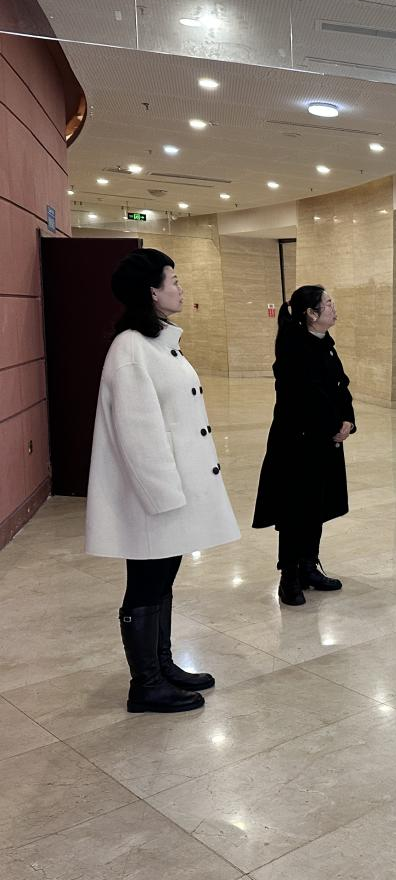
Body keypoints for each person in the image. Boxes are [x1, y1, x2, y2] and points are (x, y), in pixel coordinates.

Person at [85, 248, 240, 713]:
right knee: (146, 583)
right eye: (174, 280)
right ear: (152, 291)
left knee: (161, 580)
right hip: (155, 498)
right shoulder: (131, 348)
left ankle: (162, 664)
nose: (180, 288)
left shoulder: (155, 342)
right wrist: (164, 500)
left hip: (170, 494)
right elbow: (139, 437)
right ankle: (146, 684)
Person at [252, 286, 355, 607]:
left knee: (316, 507)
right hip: (297, 445)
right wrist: (332, 427)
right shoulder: (293, 347)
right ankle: (289, 576)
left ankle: (309, 566)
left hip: (324, 442)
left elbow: (340, 386)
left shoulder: (325, 343)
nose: (333, 308)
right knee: (295, 511)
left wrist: (347, 420)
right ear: (311, 313)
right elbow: (303, 397)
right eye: (328, 303)